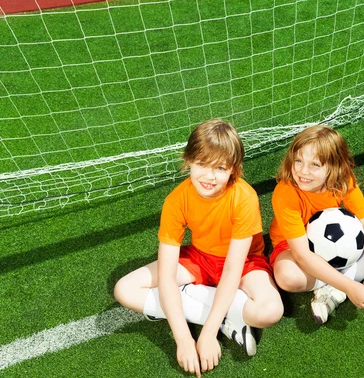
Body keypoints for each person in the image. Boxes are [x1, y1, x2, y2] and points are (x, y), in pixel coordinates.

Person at [114, 119, 283, 378]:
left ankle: (204, 310)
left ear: (234, 170)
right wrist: (183, 339)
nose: (209, 176)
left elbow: (231, 270)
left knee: (271, 311)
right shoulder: (176, 200)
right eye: (201, 164)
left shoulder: (244, 198)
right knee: (124, 289)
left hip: (245, 263)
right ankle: (231, 318)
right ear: (188, 160)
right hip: (199, 258)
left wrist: (207, 334)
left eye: (220, 168)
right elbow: (168, 275)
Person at [269, 125, 364, 326]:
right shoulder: (285, 193)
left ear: (334, 167)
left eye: (315, 165)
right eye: (299, 161)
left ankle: (332, 290)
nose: (303, 171)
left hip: (340, 244)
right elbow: (302, 255)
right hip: (294, 247)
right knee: (286, 277)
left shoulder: (343, 180)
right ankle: (351, 278)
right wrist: (350, 286)